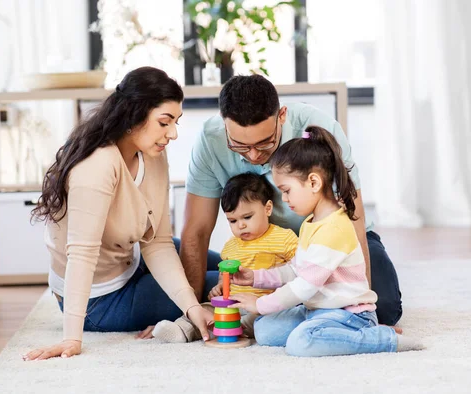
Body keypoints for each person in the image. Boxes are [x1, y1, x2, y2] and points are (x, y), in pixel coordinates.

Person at [23, 67, 216, 361]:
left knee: (230, 266)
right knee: (218, 284)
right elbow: (82, 254)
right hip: (99, 299)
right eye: (165, 122)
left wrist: (190, 307)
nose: (173, 134)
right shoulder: (97, 166)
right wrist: (71, 338)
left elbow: (158, 242)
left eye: (175, 122)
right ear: (134, 115)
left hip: (131, 258)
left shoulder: (153, 154)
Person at [181, 74, 403, 326]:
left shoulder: (317, 129)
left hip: (333, 243)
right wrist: (191, 309)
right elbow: (196, 231)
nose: (253, 155)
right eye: (240, 146)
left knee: (383, 310)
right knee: (204, 300)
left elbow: (353, 214)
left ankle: (292, 301)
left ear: (282, 115)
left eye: (265, 143)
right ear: (224, 125)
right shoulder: (210, 140)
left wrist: (363, 309)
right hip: (265, 253)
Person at [230, 126, 423, 357]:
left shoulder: (334, 228)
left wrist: (260, 304)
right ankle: (334, 334)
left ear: (313, 182)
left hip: (349, 314)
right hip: (318, 309)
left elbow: (304, 286)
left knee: (301, 343)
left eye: (287, 190)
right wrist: (256, 277)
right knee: (265, 330)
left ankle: (380, 338)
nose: (284, 199)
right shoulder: (311, 222)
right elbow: (297, 271)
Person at [152, 173, 298, 342]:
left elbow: (300, 269)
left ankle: (229, 328)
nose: (241, 225)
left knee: (258, 320)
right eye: (232, 221)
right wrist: (220, 287)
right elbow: (225, 276)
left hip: (263, 305)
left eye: (247, 217)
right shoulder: (231, 245)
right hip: (231, 305)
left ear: (267, 208)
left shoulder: (284, 238)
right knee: (204, 309)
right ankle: (182, 329)